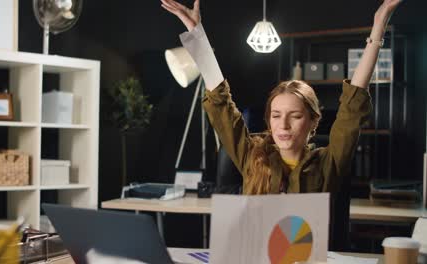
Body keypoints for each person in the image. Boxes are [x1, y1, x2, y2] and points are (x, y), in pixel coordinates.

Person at [161, 0, 402, 195]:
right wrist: (197, 36)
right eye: (276, 116)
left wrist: (379, 23)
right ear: (268, 120)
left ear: (313, 122)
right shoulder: (251, 156)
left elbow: (353, 106)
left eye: (295, 116)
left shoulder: (328, 164)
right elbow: (221, 106)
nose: (283, 125)